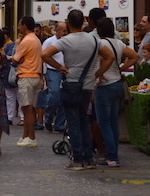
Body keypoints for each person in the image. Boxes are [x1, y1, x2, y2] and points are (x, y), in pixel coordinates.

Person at [41, 9, 114, 171]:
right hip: (88, 86)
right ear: (83, 22)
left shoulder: (66, 40)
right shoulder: (94, 40)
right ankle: (88, 158)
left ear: (68, 23)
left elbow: (45, 54)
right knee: (84, 121)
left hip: (71, 84)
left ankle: (78, 158)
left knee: (73, 122)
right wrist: (98, 73)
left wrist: (60, 67)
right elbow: (110, 57)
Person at [95, 18, 139, 167]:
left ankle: (112, 156)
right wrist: (121, 68)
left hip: (105, 85)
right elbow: (135, 56)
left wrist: (99, 73)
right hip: (117, 85)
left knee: (104, 123)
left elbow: (102, 60)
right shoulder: (119, 43)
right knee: (113, 122)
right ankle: (114, 155)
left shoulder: (101, 44)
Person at [13, 16, 42, 147]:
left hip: (27, 76)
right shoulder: (35, 39)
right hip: (35, 75)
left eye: (20, 24)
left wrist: (17, 45)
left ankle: (31, 137)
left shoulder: (26, 41)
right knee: (29, 108)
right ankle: (26, 135)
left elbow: (16, 59)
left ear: (24, 26)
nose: (18, 27)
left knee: (27, 108)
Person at [42, 22, 68, 133]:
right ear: (57, 30)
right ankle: (48, 117)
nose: (65, 33)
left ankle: (59, 124)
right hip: (53, 70)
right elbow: (42, 56)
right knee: (55, 94)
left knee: (65, 98)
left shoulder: (68, 41)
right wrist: (42, 74)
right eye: (63, 30)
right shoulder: (49, 42)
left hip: (66, 71)